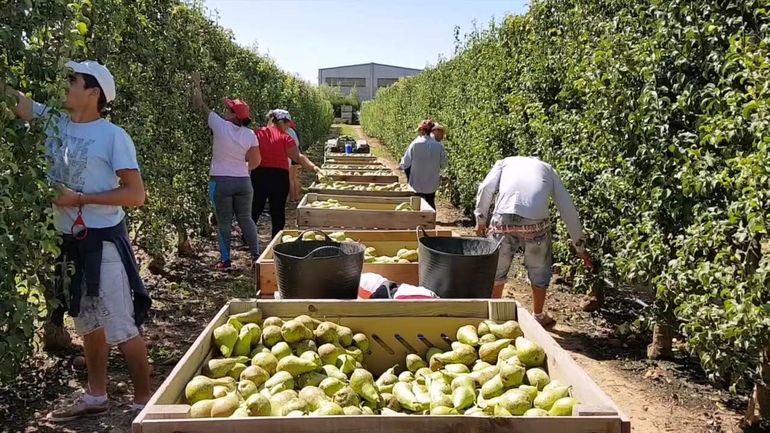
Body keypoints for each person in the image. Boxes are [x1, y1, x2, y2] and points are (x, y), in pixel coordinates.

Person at [3, 60, 152, 420]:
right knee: (88, 322)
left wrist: (80, 199)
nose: (65, 85)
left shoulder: (113, 137)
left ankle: (145, 403)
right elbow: (17, 102)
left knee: (121, 325)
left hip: (103, 244)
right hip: (71, 243)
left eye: (73, 80)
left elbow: (135, 195)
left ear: (93, 92)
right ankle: (96, 394)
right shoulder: (56, 122)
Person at [474, 156, 593, 327]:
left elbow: (485, 188)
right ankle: (538, 314)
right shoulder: (547, 169)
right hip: (535, 224)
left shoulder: (504, 163)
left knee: (497, 269)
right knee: (539, 270)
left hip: (503, 220)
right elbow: (567, 207)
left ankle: (494, 314)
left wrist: (481, 219)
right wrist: (579, 246)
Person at [191, 72, 261, 271]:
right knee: (246, 219)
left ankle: (225, 259)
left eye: (228, 109)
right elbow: (256, 160)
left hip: (220, 182)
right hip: (243, 182)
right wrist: (243, 168)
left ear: (232, 115)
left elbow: (199, 104)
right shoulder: (250, 134)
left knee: (224, 222)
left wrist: (196, 83)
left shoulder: (219, 125)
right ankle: (256, 255)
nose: (225, 111)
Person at [252, 109, 321, 237]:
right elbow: (297, 157)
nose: (289, 126)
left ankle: (247, 237)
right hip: (279, 177)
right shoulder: (285, 138)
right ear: (277, 121)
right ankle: (276, 238)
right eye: (286, 123)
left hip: (259, 175)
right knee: (277, 210)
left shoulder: (258, 133)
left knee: (255, 207)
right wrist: (313, 167)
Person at [400, 119, 448, 209]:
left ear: (422, 130)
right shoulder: (439, 146)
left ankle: (417, 221)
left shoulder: (415, 144)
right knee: (430, 202)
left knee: (416, 205)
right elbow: (444, 164)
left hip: (416, 183)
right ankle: (430, 221)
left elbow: (405, 163)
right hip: (432, 183)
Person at [287, 120, 303, 202]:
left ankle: (292, 198)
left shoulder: (288, 131)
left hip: (291, 155)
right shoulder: (295, 131)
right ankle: (297, 196)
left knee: (290, 178)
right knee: (295, 177)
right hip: (297, 154)